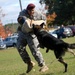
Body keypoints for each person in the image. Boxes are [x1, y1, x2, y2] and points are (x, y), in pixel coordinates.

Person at [17, 3, 49, 73]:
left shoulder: (38, 14)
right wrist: (26, 21)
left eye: (33, 10)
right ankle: (29, 63)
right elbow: (19, 20)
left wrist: (40, 26)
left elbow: (44, 20)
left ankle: (43, 66)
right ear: (27, 10)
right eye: (30, 10)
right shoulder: (23, 13)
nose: (32, 12)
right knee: (19, 47)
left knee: (35, 50)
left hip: (32, 33)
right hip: (22, 32)